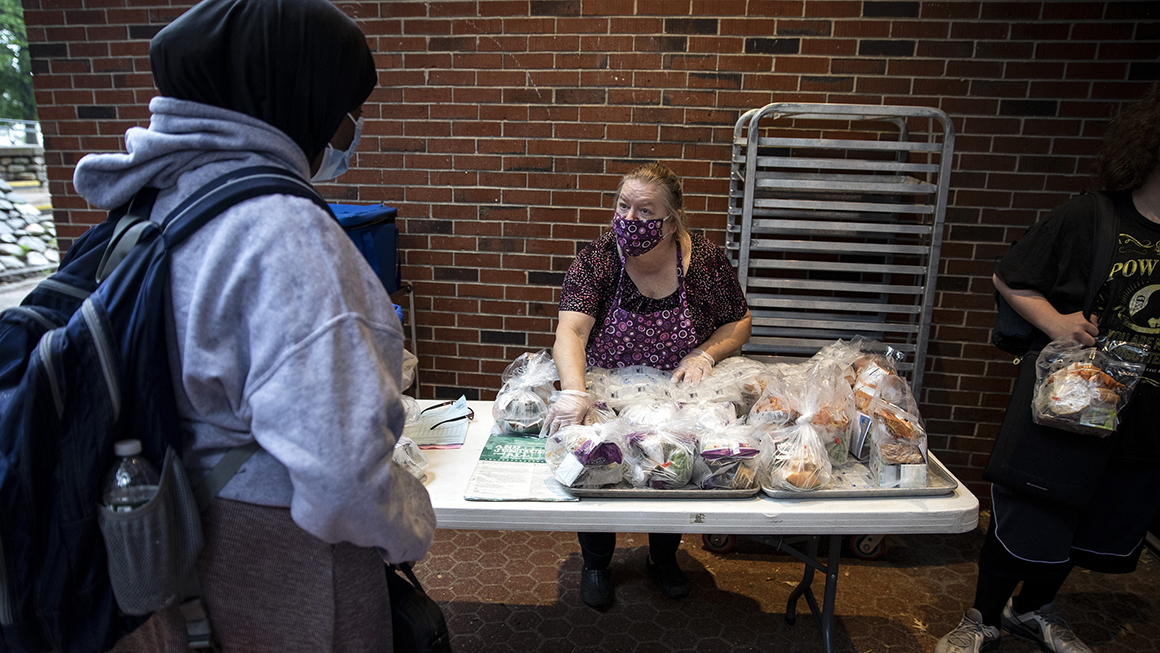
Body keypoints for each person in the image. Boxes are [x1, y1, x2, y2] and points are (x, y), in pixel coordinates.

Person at [71, 0, 436, 650]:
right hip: (281, 568)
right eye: (348, 107)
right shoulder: (286, 234)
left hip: (160, 549)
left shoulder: (157, 200)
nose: (349, 128)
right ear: (300, 94)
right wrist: (412, 521)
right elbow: (344, 481)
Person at [935, 87, 1160, 653]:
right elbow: (1011, 276)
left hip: (1146, 413)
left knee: (1094, 520)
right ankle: (982, 615)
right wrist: (1057, 324)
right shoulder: (1092, 216)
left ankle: (1033, 609)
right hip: (1068, 405)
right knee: (1034, 515)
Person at [546, 161, 752, 609]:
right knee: (596, 466)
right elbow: (572, 332)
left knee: (669, 465)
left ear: (672, 220)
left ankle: (662, 558)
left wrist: (704, 354)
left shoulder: (706, 263)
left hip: (675, 393)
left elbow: (738, 322)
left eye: (645, 211)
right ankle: (596, 561)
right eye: (623, 206)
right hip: (607, 388)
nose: (630, 220)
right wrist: (575, 390)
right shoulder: (598, 258)